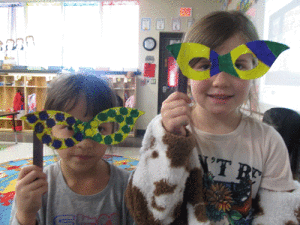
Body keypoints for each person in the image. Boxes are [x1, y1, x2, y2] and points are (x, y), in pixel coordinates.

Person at [125, 11, 300, 224]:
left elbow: (278, 214)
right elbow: (148, 214)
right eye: (206, 66)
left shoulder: (269, 142)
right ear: (187, 75)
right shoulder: (164, 129)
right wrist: (171, 143)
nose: (220, 81)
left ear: (255, 72)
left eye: (239, 65)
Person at [10, 74, 135, 225]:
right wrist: (26, 214)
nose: (84, 143)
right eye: (70, 127)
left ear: (112, 131)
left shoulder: (128, 187)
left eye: (100, 128)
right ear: (50, 130)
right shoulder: (35, 189)